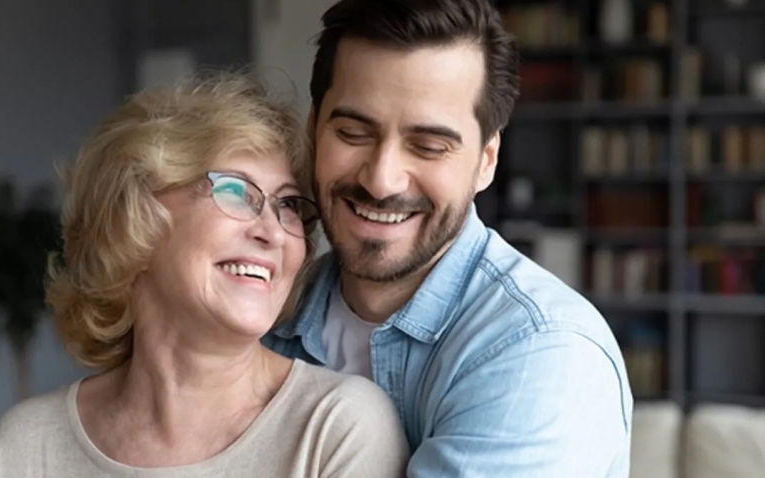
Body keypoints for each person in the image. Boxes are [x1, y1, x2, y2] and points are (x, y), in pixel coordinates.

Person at [0, 70, 409, 478]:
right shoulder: (25, 444)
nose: (273, 231)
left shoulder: (337, 427)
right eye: (237, 191)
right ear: (135, 219)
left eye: (288, 205)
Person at [262, 0, 634, 476]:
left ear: (487, 160)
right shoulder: (265, 314)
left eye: (428, 146)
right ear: (314, 129)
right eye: (354, 133)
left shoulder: (541, 353)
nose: (381, 180)